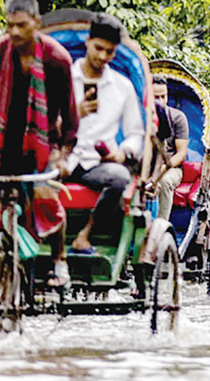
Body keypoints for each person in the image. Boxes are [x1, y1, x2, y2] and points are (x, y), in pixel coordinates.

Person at [0, 0, 79, 287]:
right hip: (1, 147)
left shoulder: (57, 59)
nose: (14, 32)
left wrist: (63, 156)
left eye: (21, 25)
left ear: (36, 24)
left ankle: (58, 259)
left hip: (43, 147)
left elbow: (70, 116)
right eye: (9, 25)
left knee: (46, 199)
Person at [66, 13, 144, 256]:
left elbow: (136, 134)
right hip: (61, 158)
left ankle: (85, 235)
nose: (102, 56)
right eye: (98, 48)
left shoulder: (123, 87)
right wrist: (74, 114)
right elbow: (43, 124)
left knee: (120, 176)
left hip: (97, 164)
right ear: (87, 41)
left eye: (109, 52)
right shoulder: (63, 77)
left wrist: (123, 152)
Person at [146, 75, 188, 220]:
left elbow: (181, 153)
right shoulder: (141, 115)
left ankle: (160, 226)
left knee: (164, 182)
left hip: (171, 167)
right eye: (156, 97)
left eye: (163, 96)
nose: (160, 101)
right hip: (146, 164)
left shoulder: (177, 117)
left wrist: (165, 167)